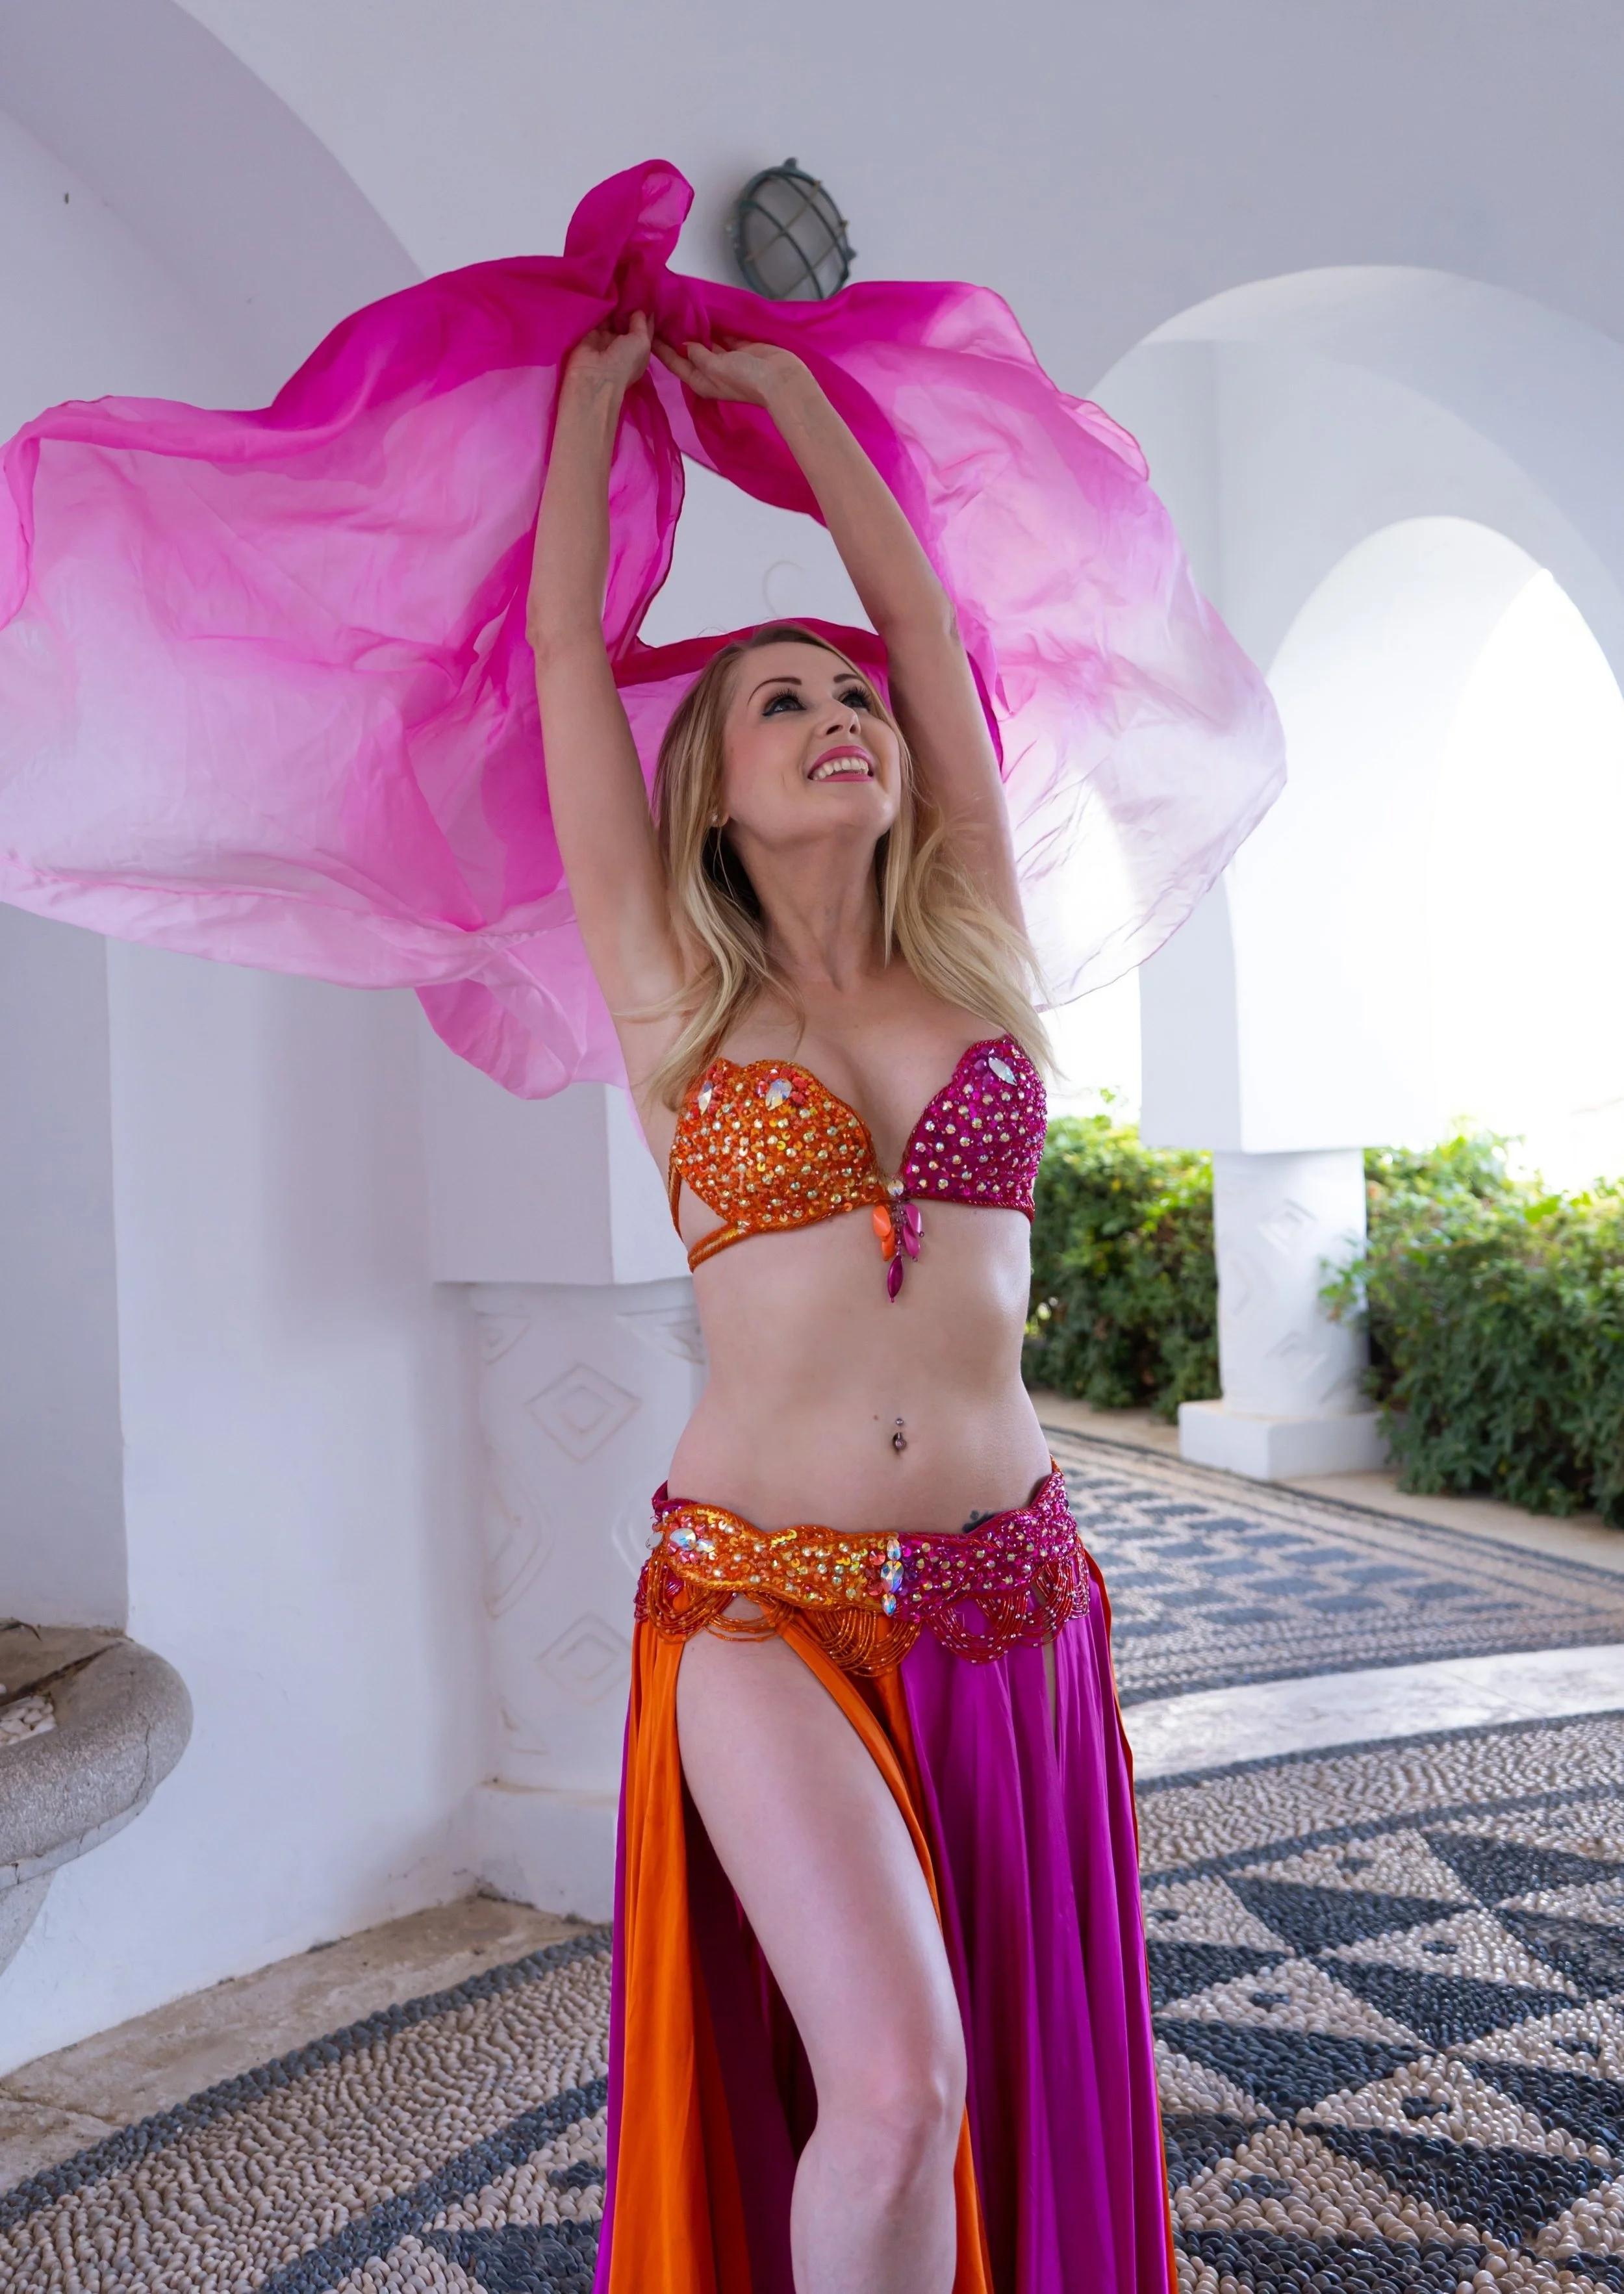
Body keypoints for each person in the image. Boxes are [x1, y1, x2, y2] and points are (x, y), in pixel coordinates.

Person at [529, 310, 1173, 2294]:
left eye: (857, 699)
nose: (843, 712)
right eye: (781, 699)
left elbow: (924, 622)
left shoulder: (973, 960)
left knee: (973, 2093)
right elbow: (564, 657)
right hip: (754, 1602)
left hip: (1014, 1600)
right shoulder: (676, 1003)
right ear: (705, 792)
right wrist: (591, 393)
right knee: (891, 2084)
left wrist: (798, 406)